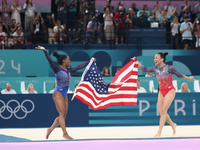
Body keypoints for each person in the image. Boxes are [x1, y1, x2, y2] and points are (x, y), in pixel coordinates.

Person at [35, 45, 95, 140]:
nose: (70, 61)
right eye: (68, 60)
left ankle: (50, 129)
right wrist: (45, 51)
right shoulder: (57, 68)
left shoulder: (69, 70)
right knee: (61, 114)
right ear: (63, 61)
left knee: (63, 116)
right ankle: (65, 134)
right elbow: (50, 60)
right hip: (58, 92)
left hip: (64, 93)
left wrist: (89, 61)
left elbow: (79, 67)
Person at [131, 52, 195, 137]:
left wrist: (188, 78)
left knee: (164, 110)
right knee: (162, 113)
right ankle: (173, 124)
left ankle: (159, 132)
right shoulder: (155, 68)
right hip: (161, 91)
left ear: (162, 59)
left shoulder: (170, 68)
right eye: (154, 58)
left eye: (156, 58)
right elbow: (145, 69)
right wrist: (136, 61)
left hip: (170, 90)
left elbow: (179, 75)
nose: (154, 59)